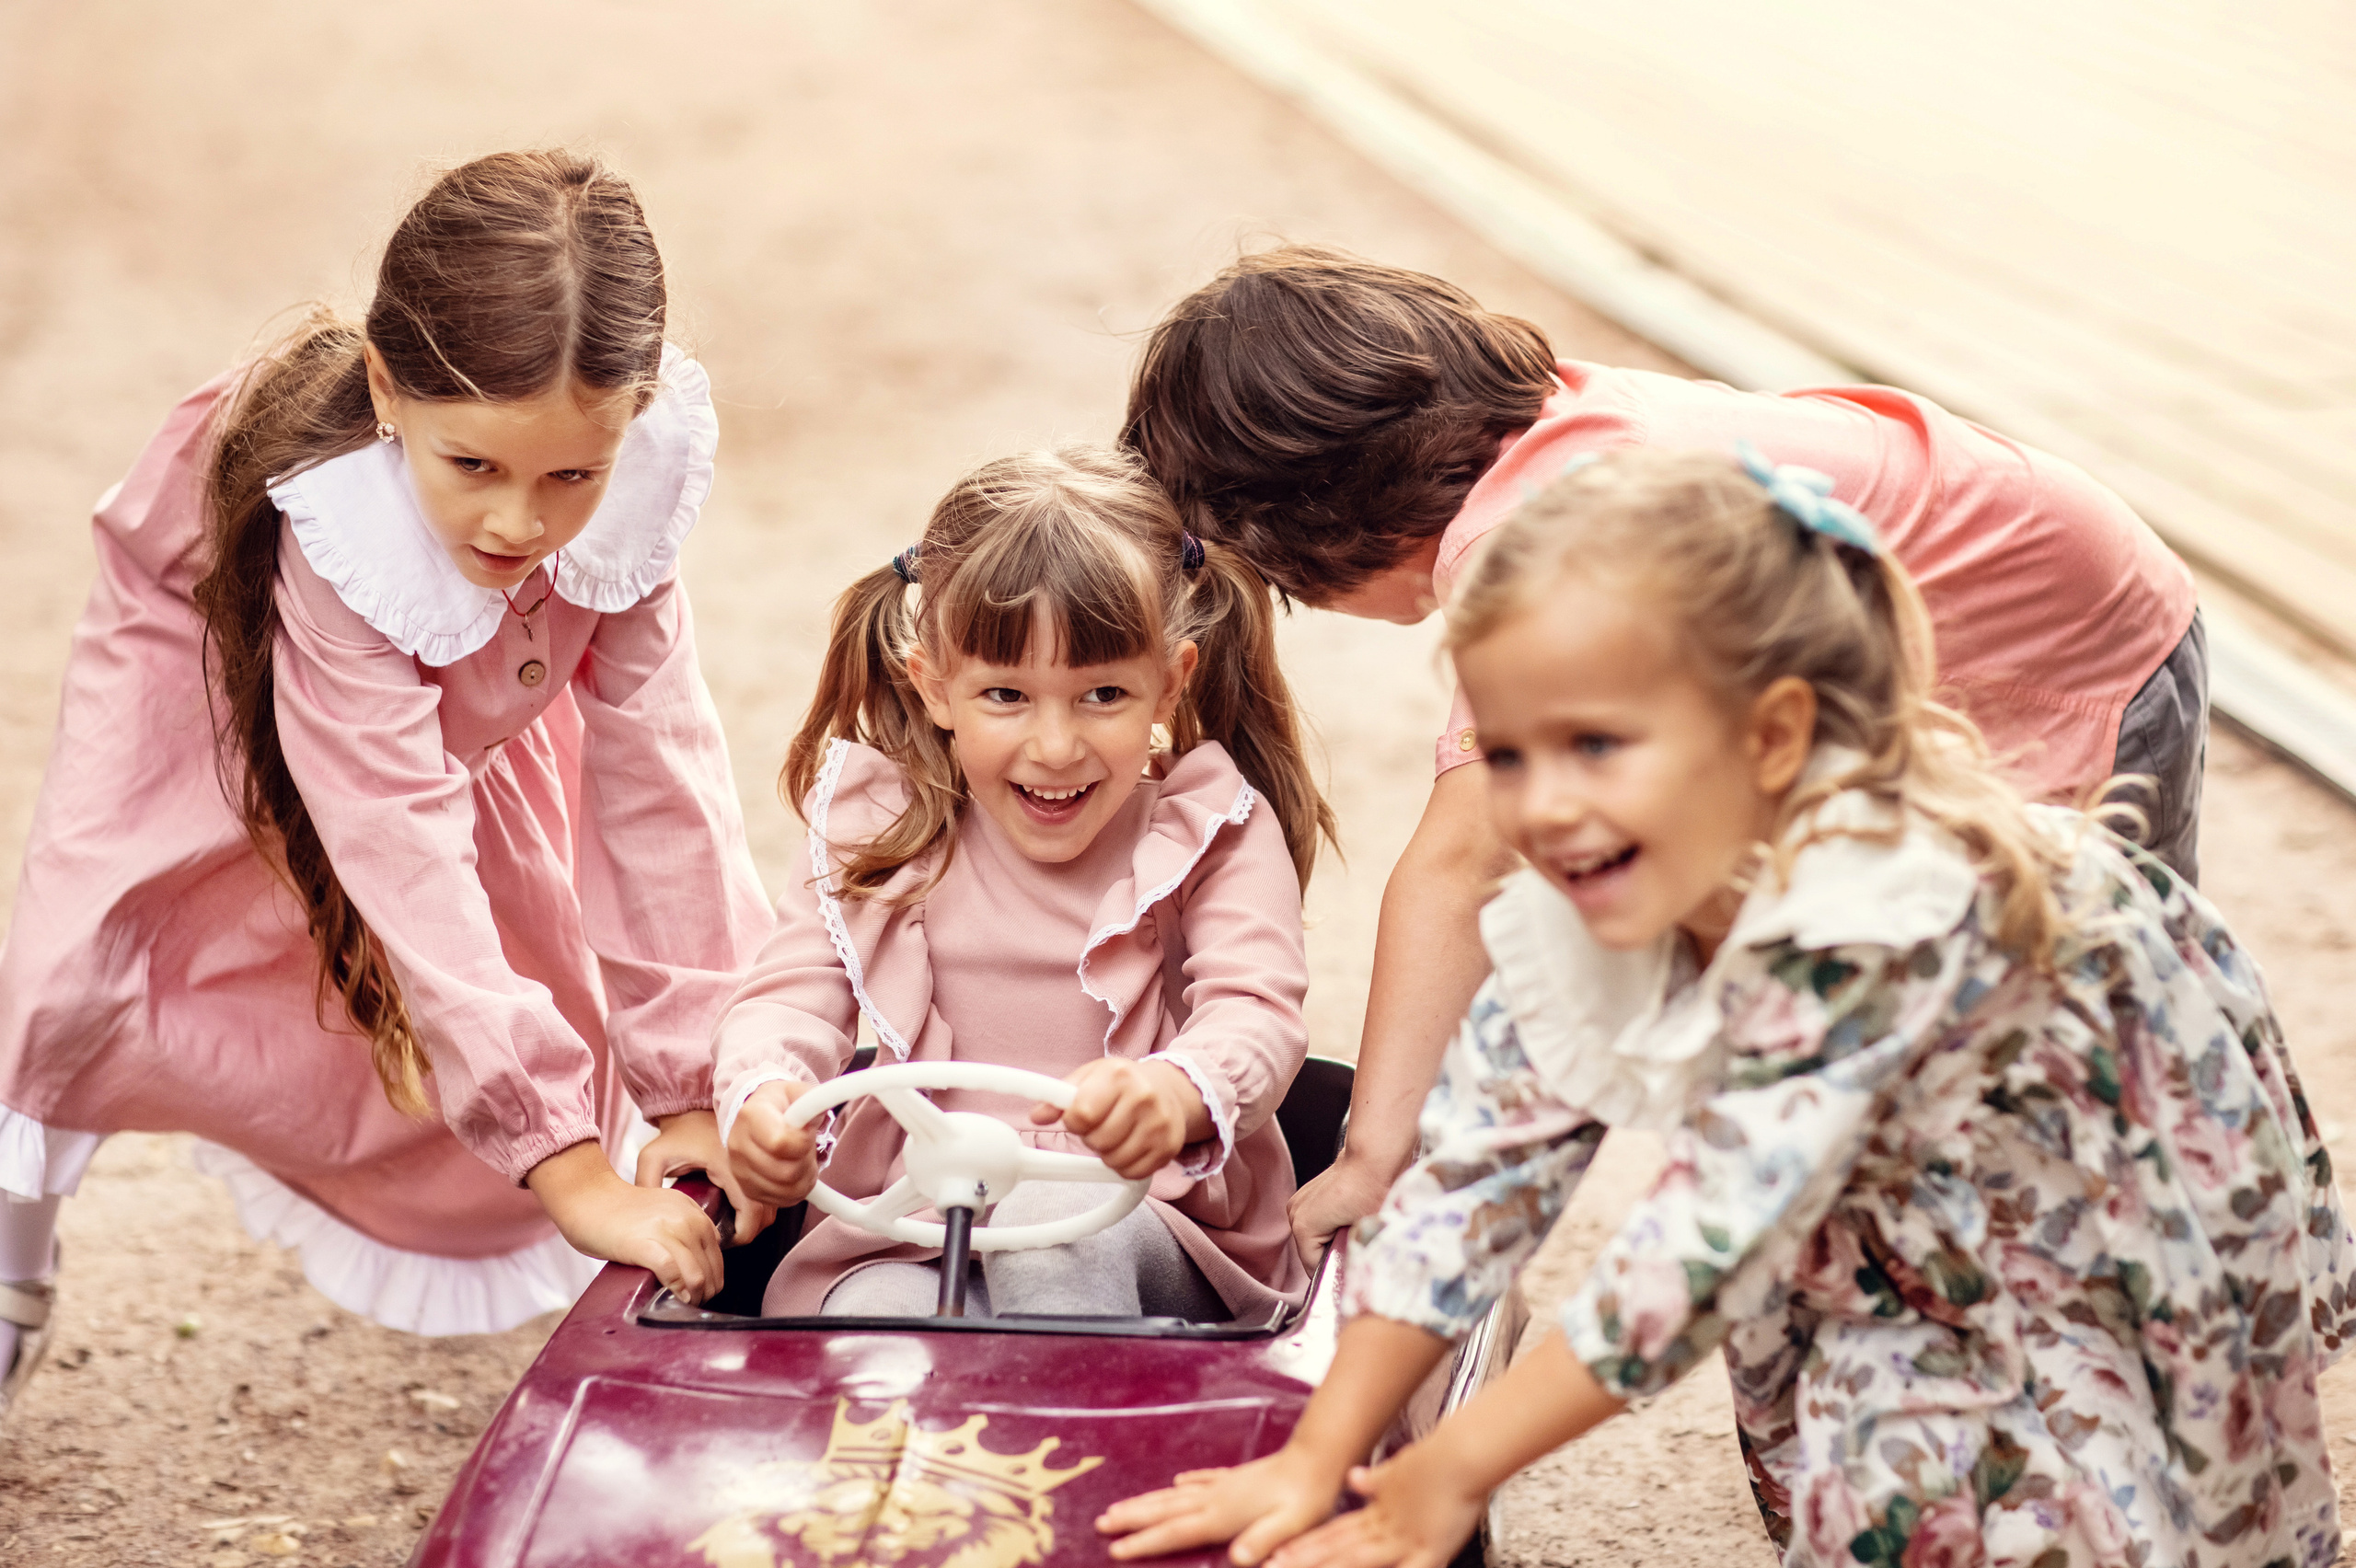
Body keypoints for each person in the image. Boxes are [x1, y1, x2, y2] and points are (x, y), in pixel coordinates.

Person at [1098, 446, 2351, 1568]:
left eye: (1600, 745)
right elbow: (1470, 1183)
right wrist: (1317, 1455)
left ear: (1770, 737)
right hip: (1864, 1221)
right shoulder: (1590, 898)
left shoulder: (1877, 916)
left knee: (2116, 1475)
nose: (1544, 805)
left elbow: (1696, 1250)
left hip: (2090, 1204)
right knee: (1866, 1461)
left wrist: (1450, 1470)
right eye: (1516, 755)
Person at [1123, 245, 2208, 1263]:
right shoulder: (1537, 438)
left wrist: (1371, 1159)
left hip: (2058, 671)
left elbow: (1469, 860)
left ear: (1309, 530)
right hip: (2008, 609)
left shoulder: (1541, 532)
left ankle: (2112, 1262)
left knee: (2057, 1025)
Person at [0, 151, 776, 1421]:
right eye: (476, 466)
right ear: (387, 391)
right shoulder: (342, 528)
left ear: (629, 422)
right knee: (100, 941)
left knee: (518, 930)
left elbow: (663, 784)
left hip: (473, 668)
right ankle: (12, 1261)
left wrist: (693, 1092)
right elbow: (396, 844)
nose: (522, 522)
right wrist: (568, 1164)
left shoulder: (623, 503)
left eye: (569, 475)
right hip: (207, 645)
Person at [715, 446, 1332, 1320]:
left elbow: (1257, 1010)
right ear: (933, 687)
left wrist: (1180, 1090)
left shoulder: (1206, 830)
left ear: (1170, 685)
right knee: (873, 1318)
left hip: (1150, 1217)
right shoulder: (881, 831)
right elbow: (791, 999)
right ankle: (907, 1452)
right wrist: (764, 1097)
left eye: (1103, 694)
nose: (1054, 747)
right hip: (917, 1219)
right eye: (1006, 695)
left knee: (1055, 1230)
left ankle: (1081, 1450)